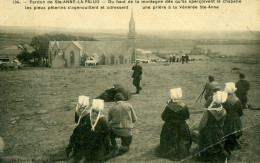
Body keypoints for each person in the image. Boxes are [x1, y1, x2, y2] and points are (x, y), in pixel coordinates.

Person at [156, 88, 192, 161]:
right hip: (182, 126)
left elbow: (164, 117)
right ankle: (182, 150)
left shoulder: (168, 107)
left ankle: (170, 151)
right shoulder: (184, 106)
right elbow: (187, 116)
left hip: (170, 127)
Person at [197, 91, 228, 162]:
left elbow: (202, 124)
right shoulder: (224, 111)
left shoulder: (208, 111)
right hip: (218, 132)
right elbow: (222, 123)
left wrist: (200, 130)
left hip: (208, 132)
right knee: (217, 146)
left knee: (206, 145)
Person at [223, 82, 243, 153]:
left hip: (227, 119)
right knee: (235, 131)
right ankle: (235, 140)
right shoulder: (237, 100)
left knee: (227, 133)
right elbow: (241, 112)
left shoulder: (224, 100)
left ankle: (233, 141)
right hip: (236, 119)